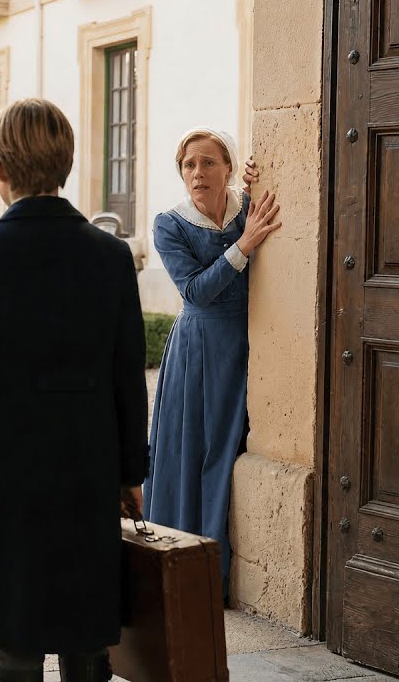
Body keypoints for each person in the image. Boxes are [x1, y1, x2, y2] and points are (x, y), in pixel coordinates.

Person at [0, 98, 148, 682]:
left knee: (16, 635)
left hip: (7, 473)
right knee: (87, 634)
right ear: (67, 164)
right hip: (88, 465)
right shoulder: (110, 257)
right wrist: (132, 471)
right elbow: (128, 375)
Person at [144, 127, 280, 602]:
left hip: (249, 344)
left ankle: (219, 572)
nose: (197, 173)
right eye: (189, 165)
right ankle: (187, 576)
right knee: (193, 456)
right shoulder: (169, 224)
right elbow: (196, 291)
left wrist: (262, 177)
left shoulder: (248, 207)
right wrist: (244, 246)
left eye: (207, 162)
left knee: (231, 451)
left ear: (228, 167)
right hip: (198, 351)